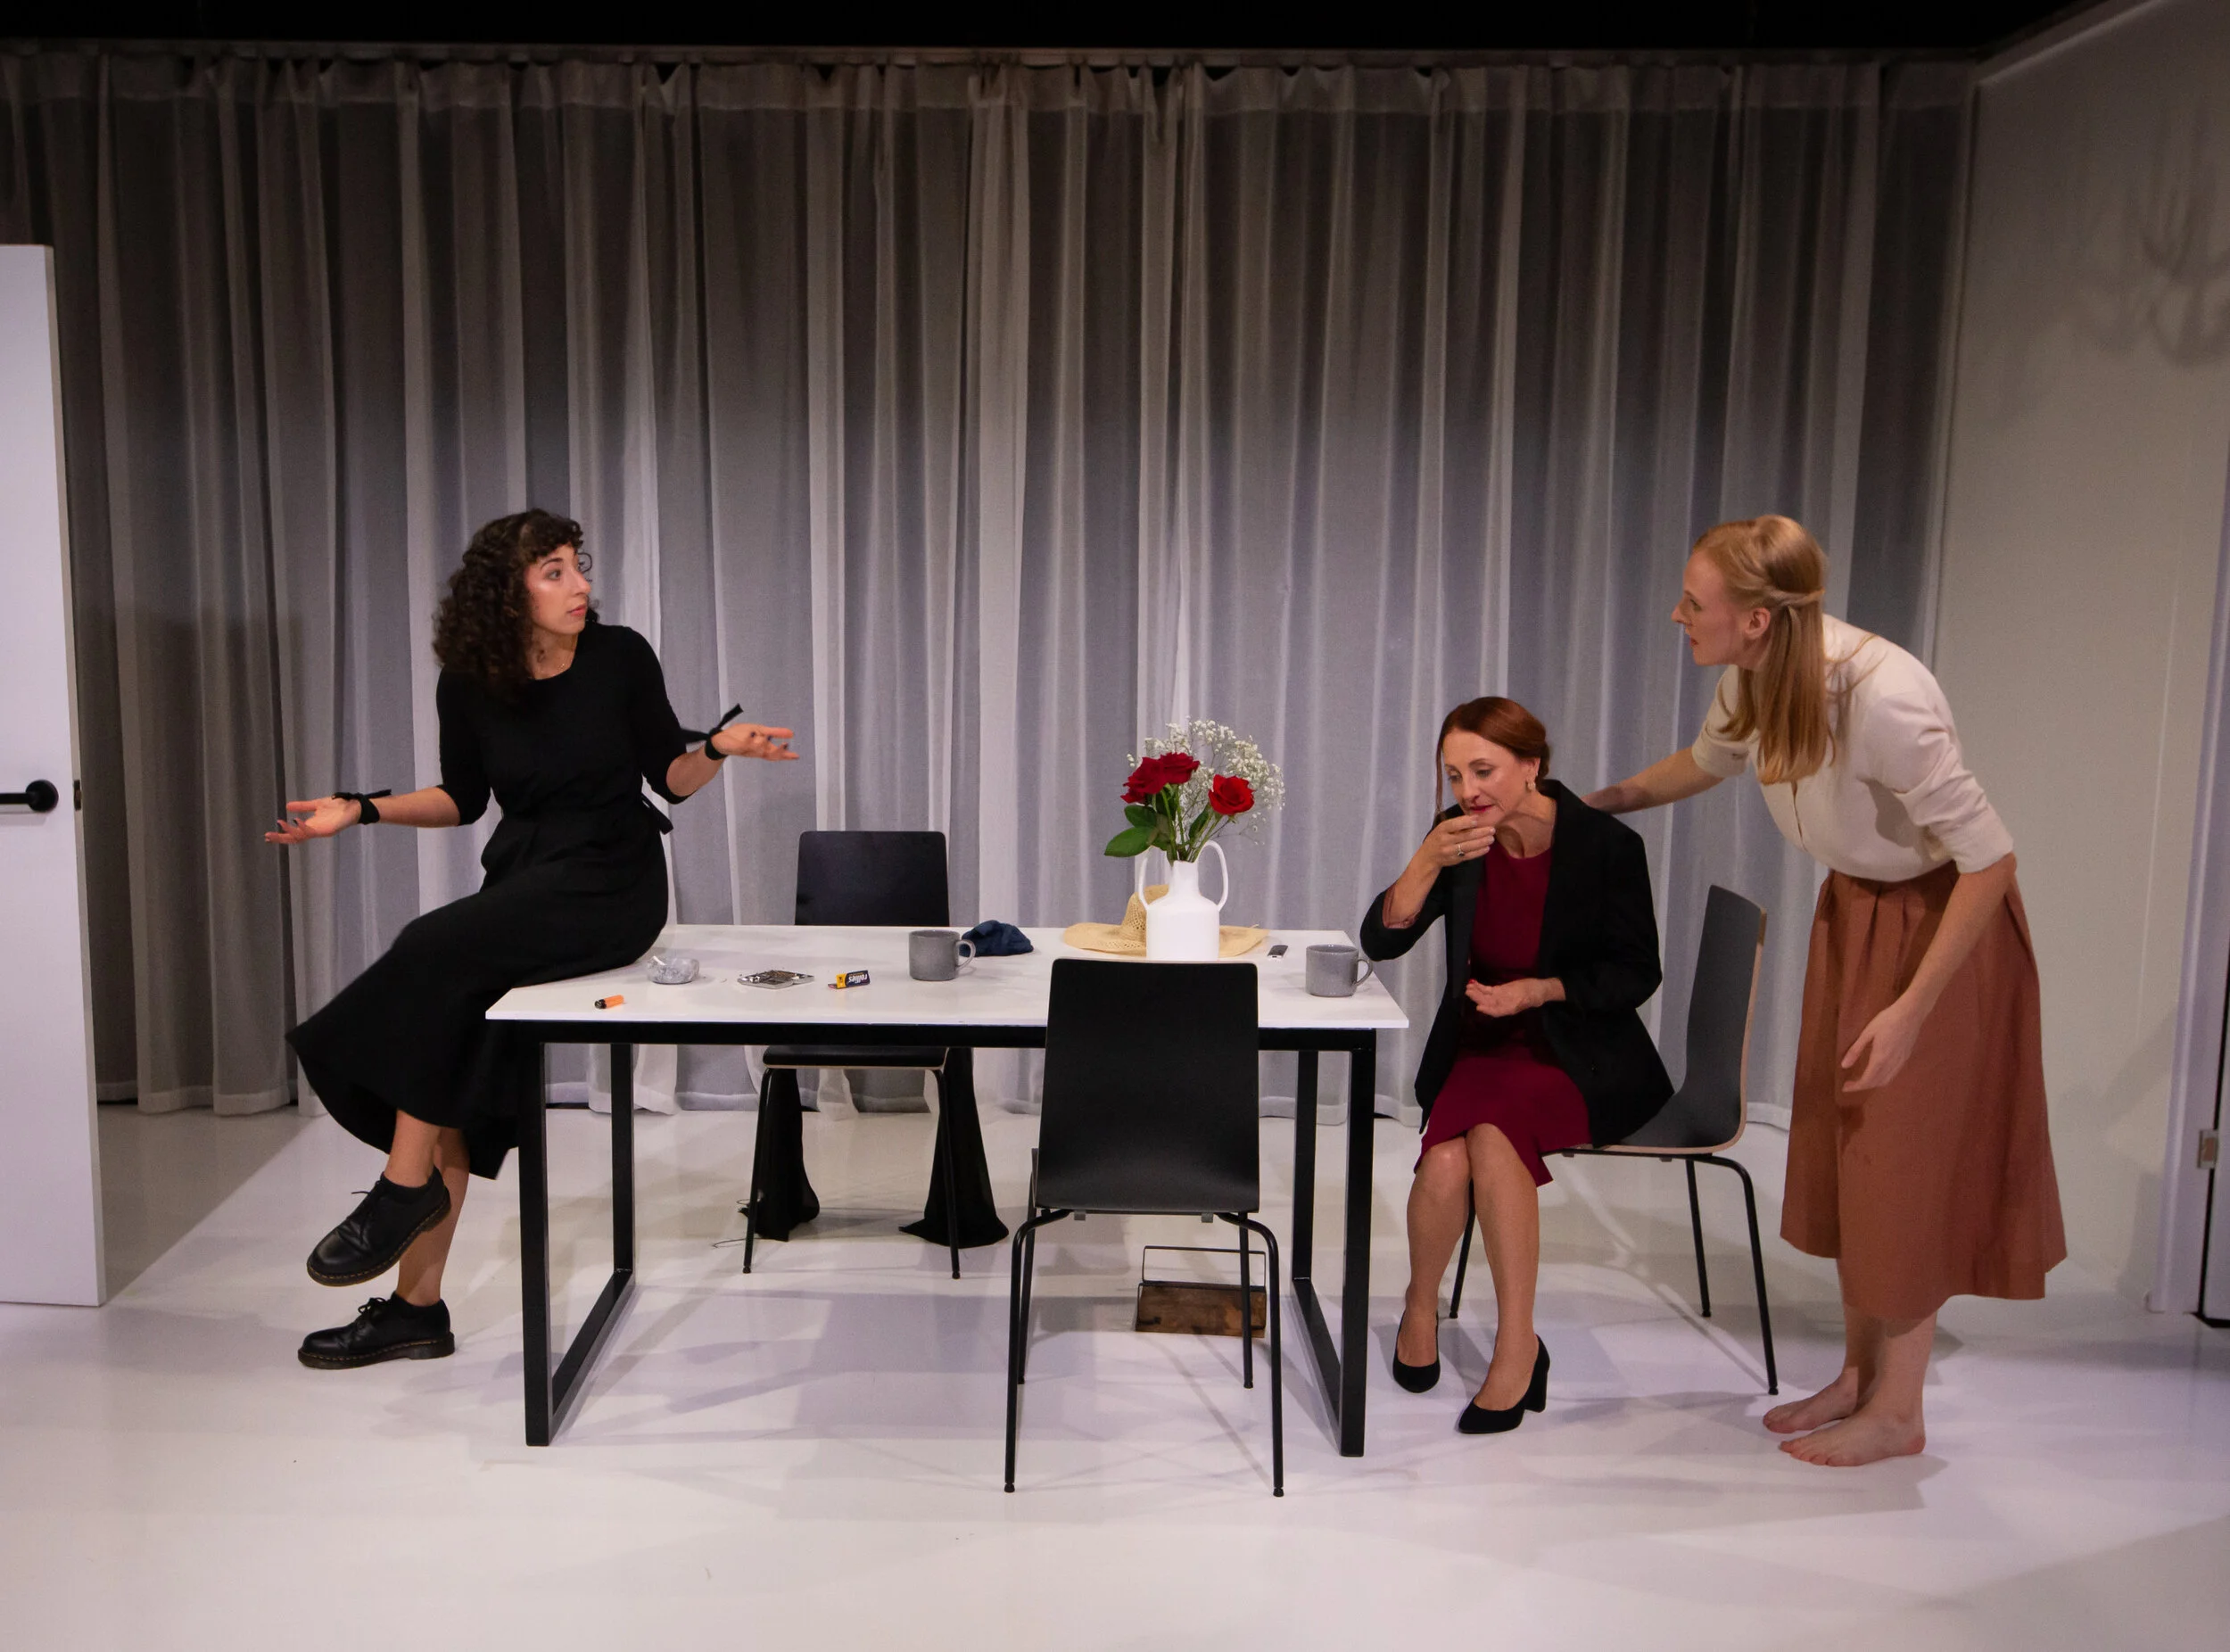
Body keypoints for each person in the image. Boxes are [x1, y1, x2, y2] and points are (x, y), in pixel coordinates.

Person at [268, 508, 797, 1370]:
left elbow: (671, 777)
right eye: (554, 570)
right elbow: (463, 799)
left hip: (612, 882)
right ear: (506, 593)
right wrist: (360, 810)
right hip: (522, 886)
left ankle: (400, 1189)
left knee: (429, 946)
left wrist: (718, 747)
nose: (580, 583)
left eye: (577, 564)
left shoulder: (620, 656)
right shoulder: (469, 681)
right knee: (452, 1077)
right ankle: (415, 1311)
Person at [1588, 514, 2063, 1466]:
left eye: (1693, 601)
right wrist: (1596, 805)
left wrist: (1912, 1007)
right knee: (1852, 1152)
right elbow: (1709, 761)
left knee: (1901, 1163)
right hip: (1855, 914)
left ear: (1757, 618)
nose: (1677, 614)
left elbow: (1990, 859)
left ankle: (1900, 1411)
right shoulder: (1754, 676)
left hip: (1940, 931)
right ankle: (1858, 1375)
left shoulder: (1886, 697)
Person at [1362, 698, 1672, 1433]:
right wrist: (1425, 861)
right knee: (1447, 1161)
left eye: (1483, 771)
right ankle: (1419, 1308)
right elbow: (1384, 940)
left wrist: (1543, 990)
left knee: (1491, 1135)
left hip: (1580, 1052)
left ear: (1532, 765)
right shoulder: (1459, 839)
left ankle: (1515, 1345)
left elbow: (1638, 973)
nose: (1468, 790)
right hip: (1481, 1044)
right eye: (1453, 775)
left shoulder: (1605, 846)